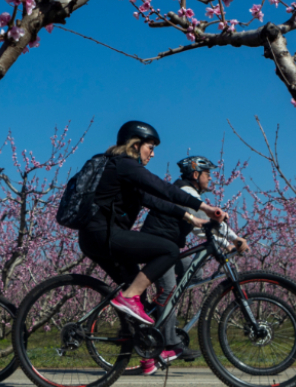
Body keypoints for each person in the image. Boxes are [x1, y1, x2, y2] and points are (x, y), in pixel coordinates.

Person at [78, 122, 228, 335]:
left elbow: (154, 200)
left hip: (94, 238)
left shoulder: (121, 171)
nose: (153, 154)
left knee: (136, 290)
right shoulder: (125, 165)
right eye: (150, 147)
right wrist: (204, 207)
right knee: (169, 250)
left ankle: (139, 343)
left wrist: (190, 217)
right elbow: (162, 188)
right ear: (135, 145)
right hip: (104, 236)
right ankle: (129, 299)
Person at [137, 155, 248, 372]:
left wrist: (226, 243)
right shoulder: (187, 193)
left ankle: (157, 316)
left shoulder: (188, 193)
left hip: (169, 247)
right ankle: (169, 343)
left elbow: (200, 228)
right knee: (169, 290)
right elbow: (209, 222)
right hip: (157, 247)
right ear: (196, 175)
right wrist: (235, 239)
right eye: (207, 174)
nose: (210, 178)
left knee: (194, 272)